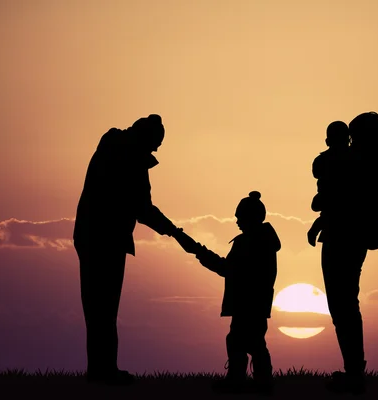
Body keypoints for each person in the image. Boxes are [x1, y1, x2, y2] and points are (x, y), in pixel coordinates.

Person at [73, 114, 191, 385]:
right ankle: (104, 372)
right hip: (106, 238)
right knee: (104, 307)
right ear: (145, 138)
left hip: (91, 236)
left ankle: (101, 371)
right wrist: (174, 231)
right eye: (155, 144)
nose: (156, 150)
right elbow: (143, 208)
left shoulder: (113, 146)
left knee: (98, 308)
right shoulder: (130, 158)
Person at [312, 111, 378, 394]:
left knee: (341, 304)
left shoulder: (361, 163)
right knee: (344, 303)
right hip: (349, 236)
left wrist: (321, 204)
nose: (349, 141)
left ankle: (354, 372)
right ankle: (353, 369)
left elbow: (342, 200)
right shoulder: (367, 163)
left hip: (343, 237)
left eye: (353, 136)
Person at [186, 191, 281, 394]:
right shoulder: (263, 241)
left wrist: (201, 254)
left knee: (243, 341)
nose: (237, 221)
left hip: (247, 300)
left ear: (250, 218)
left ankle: (243, 380)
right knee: (252, 341)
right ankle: (260, 380)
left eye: (240, 217)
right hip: (256, 300)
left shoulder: (249, 242)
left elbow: (230, 269)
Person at [307, 120, 351, 247]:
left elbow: (316, 173)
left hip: (334, 208)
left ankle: (314, 230)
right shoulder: (353, 158)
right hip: (334, 207)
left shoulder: (323, 159)